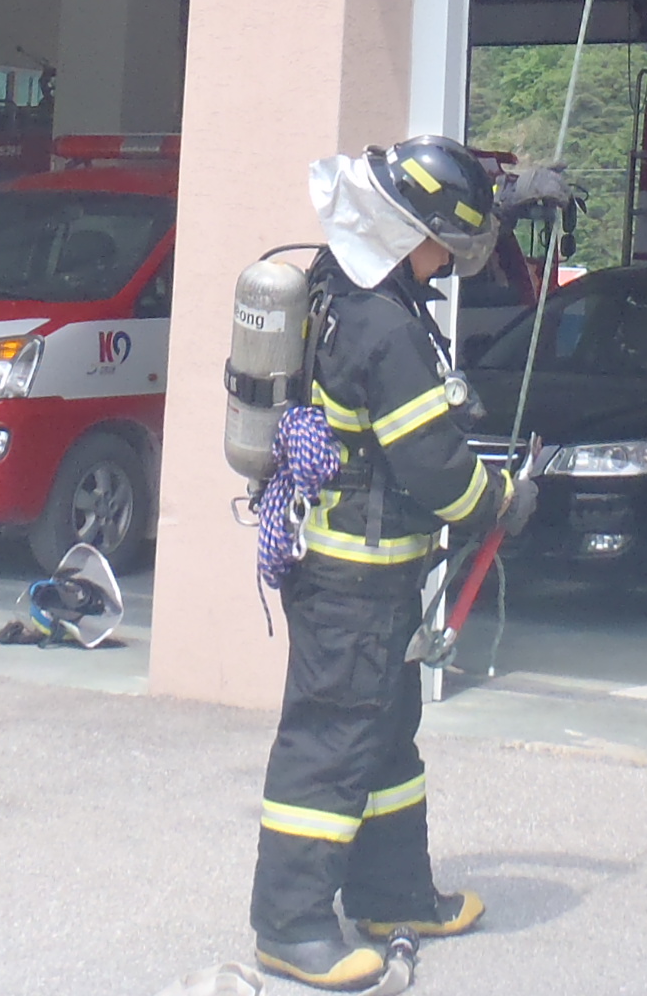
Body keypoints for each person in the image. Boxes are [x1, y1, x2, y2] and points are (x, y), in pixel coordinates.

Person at [249, 136, 536, 990]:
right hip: (353, 584)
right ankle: (290, 928)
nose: (448, 262)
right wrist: (501, 500)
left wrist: (513, 201)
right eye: (442, 244)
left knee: (383, 738)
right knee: (331, 745)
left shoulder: (343, 287)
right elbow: (434, 467)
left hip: (360, 577)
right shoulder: (387, 330)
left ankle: (394, 895)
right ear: (406, 233)